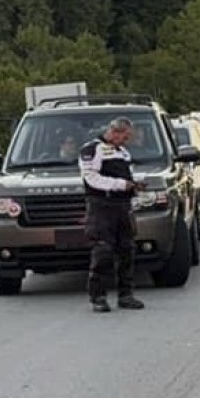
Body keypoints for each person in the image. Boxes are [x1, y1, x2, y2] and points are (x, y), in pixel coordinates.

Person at [79, 117, 145, 312]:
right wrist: (120, 184)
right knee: (103, 250)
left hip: (123, 206)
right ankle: (98, 296)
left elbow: (127, 177)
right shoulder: (92, 149)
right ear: (114, 132)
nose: (125, 141)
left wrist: (134, 185)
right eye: (124, 137)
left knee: (127, 250)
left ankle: (126, 294)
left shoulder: (122, 152)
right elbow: (91, 178)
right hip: (101, 205)